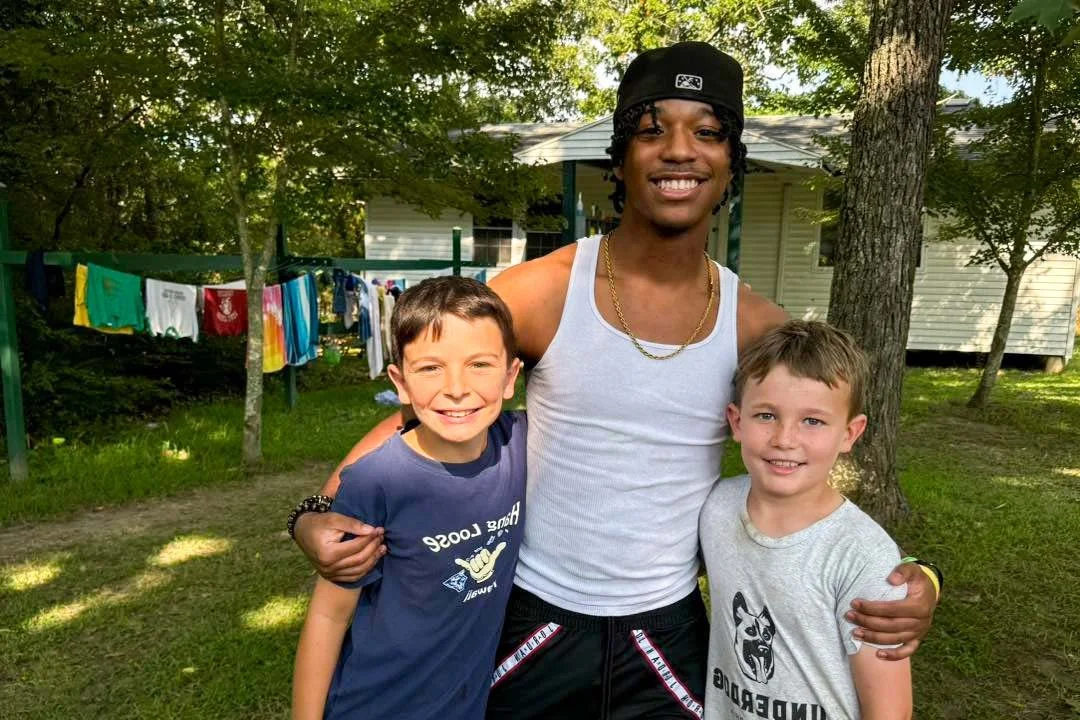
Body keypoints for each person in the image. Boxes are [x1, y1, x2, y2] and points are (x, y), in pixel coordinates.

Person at [290, 41, 940, 719]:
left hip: (667, 631)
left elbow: (806, 460)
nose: (680, 151)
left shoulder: (754, 325)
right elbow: (432, 407)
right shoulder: (542, 291)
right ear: (621, 156)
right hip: (535, 619)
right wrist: (314, 513)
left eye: (707, 133)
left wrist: (917, 577)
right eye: (652, 130)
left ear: (731, 160)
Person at [290, 276, 526, 720]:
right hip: (376, 706)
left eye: (479, 364)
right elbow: (328, 617)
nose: (456, 387)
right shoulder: (375, 481)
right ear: (400, 382)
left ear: (510, 376)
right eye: (431, 368)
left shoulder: (519, 444)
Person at [701, 321, 914, 720]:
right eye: (766, 415)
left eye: (812, 421)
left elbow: (891, 711)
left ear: (850, 433)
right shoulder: (716, 507)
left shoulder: (863, 556)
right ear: (736, 422)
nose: (785, 439)